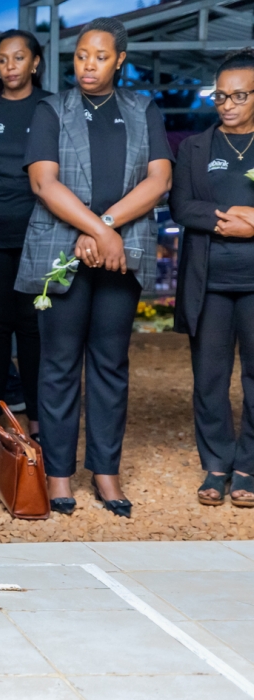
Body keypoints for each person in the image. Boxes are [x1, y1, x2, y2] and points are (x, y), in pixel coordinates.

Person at [17, 18, 172, 517]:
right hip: (63, 254)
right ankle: (58, 473)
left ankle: (106, 472)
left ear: (119, 60)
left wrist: (104, 228)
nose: (89, 64)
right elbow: (44, 183)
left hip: (119, 258)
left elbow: (159, 180)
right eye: (82, 54)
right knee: (58, 366)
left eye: (100, 56)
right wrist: (100, 233)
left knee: (110, 365)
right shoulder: (51, 110)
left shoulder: (142, 109)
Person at [170, 52, 254, 506]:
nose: (227, 104)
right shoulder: (196, 148)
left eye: (239, 95)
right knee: (209, 378)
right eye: (220, 95)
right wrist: (232, 219)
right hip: (210, 282)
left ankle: (248, 467)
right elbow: (182, 207)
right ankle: (217, 463)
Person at [0, 30, 49, 453]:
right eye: (2, 60)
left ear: (35, 62)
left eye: (19, 58)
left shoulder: (52, 107)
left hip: (40, 233)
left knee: (33, 329)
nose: (10, 67)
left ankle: (38, 420)